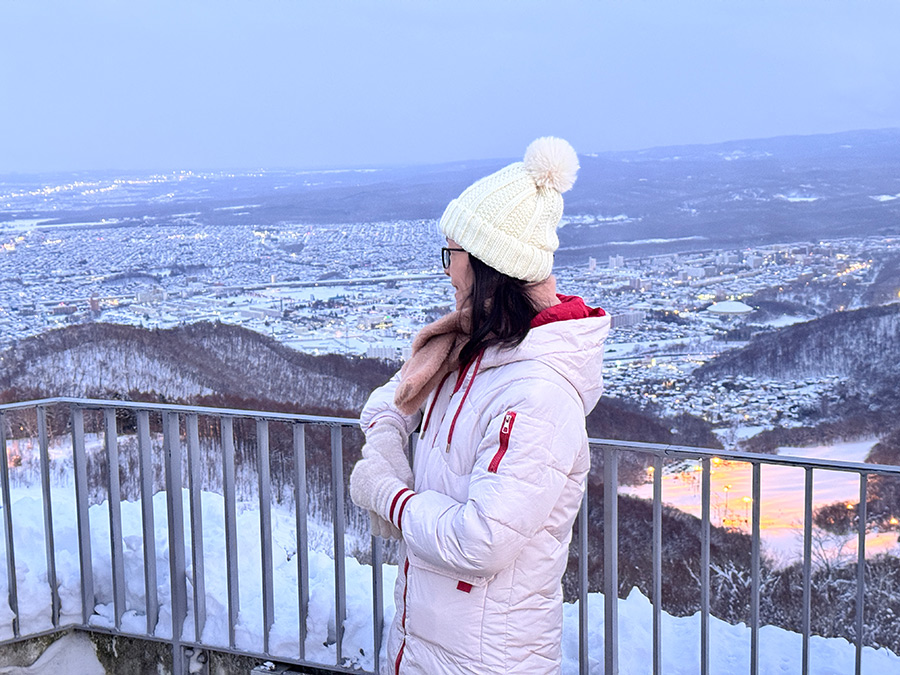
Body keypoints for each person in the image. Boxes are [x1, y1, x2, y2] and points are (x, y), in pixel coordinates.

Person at [349, 137, 610, 674]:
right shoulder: (468, 351)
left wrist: (389, 495)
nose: (447, 272)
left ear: (488, 265)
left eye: (454, 255)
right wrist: (386, 442)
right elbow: (390, 399)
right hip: (428, 642)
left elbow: (481, 541)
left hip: (489, 659)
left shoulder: (537, 395)